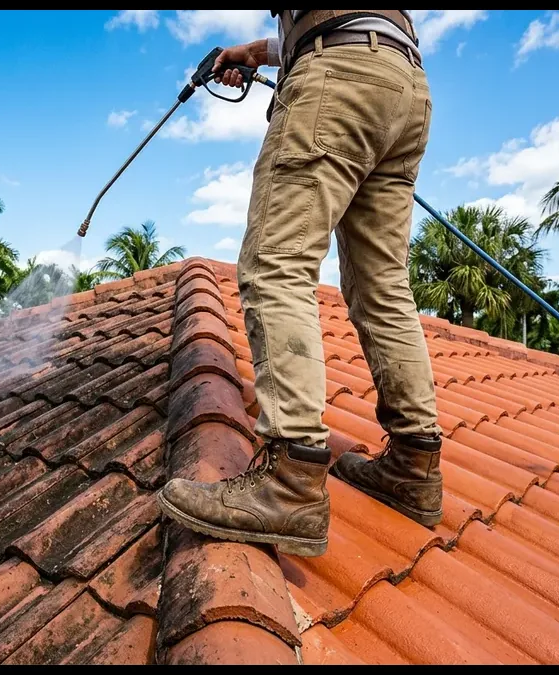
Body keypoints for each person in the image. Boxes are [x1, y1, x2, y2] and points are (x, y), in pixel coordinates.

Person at [157, 11, 442, 558]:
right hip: (404, 84)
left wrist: (283, 54)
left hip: (337, 76)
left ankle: (292, 481)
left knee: (275, 262)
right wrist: (253, 52)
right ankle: (414, 464)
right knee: (383, 287)